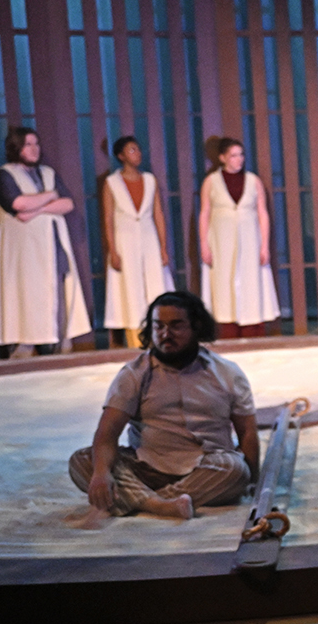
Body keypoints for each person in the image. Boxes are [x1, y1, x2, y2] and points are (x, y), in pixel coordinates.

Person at [68, 290, 257, 520]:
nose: (166, 334)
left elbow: (246, 432)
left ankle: (142, 500)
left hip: (206, 466)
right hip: (146, 467)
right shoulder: (134, 374)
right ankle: (163, 505)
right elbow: (107, 433)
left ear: (196, 327)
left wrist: (254, 480)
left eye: (176, 326)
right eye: (158, 326)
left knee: (235, 470)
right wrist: (100, 473)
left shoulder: (227, 373)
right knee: (83, 461)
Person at [0, 127, 93, 358]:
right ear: (16, 148)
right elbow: (18, 204)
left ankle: (60, 346)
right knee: (26, 295)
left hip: (53, 246)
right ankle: (24, 348)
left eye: (36, 143)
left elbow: (67, 204)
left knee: (57, 291)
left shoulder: (47, 173)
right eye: (28, 144)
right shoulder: (4, 175)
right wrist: (49, 196)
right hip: (25, 252)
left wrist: (40, 208)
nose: (34, 149)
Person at [198, 137, 279, 338]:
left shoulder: (253, 181)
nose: (239, 159)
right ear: (222, 157)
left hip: (250, 241)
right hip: (221, 241)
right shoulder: (211, 182)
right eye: (233, 155)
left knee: (251, 281)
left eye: (241, 154)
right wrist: (204, 246)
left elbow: (262, 212)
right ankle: (227, 328)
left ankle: (253, 328)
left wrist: (264, 246)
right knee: (224, 281)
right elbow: (204, 213)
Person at [102, 136, 173, 348]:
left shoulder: (150, 180)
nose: (138, 154)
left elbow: (158, 213)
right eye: (132, 150)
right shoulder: (112, 183)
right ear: (121, 156)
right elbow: (108, 217)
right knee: (130, 288)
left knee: (155, 286)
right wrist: (113, 251)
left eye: (138, 149)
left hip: (148, 237)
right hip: (125, 240)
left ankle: (159, 336)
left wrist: (163, 247)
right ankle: (135, 340)